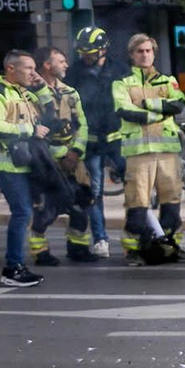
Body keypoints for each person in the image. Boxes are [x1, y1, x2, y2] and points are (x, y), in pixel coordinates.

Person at [112, 33, 185, 265]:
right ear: (132, 55)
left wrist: (148, 105)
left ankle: (169, 245)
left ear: (154, 53)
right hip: (138, 154)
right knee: (137, 202)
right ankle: (133, 249)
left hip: (167, 152)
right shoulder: (121, 83)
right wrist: (161, 112)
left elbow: (179, 103)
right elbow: (125, 111)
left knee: (172, 200)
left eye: (148, 50)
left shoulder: (168, 80)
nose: (144, 55)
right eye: (139, 51)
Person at [0, 50, 50, 286]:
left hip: (26, 163)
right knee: (22, 212)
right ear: (11, 69)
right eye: (29, 68)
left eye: (34, 68)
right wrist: (29, 131)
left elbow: (51, 113)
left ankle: (16, 266)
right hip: (6, 165)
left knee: (28, 212)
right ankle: (12, 268)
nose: (33, 73)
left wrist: (42, 87)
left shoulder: (25, 94)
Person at [30, 47, 96, 265]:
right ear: (47, 65)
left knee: (82, 201)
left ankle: (78, 247)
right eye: (61, 61)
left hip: (74, 159)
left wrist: (76, 152)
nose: (66, 65)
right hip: (46, 162)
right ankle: (41, 251)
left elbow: (82, 125)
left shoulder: (70, 92)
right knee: (47, 208)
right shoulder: (30, 94)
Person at [64, 26, 123, 257]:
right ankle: (101, 239)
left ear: (102, 50)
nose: (84, 56)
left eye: (88, 52)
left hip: (118, 142)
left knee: (136, 186)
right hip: (91, 145)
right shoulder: (76, 72)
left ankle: (141, 234)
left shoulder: (119, 70)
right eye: (82, 52)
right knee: (94, 192)